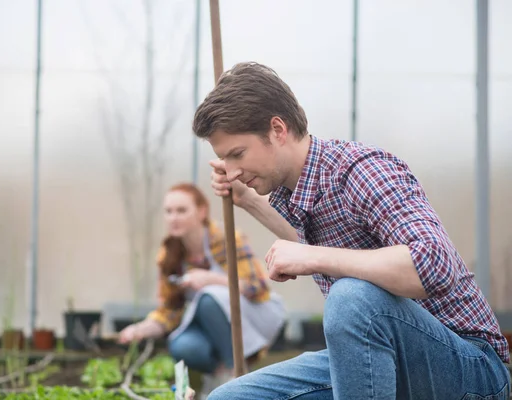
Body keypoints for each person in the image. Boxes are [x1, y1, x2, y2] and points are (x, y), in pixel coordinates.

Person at [192, 61, 511, 399]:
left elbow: (433, 265)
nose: (232, 170)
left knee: (351, 299)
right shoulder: (294, 189)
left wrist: (313, 257)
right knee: (229, 398)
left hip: (470, 368)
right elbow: (308, 243)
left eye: (237, 154)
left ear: (277, 130)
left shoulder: (358, 171)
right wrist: (246, 200)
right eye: (224, 159)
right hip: (381, 360)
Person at [117, 182, 286, 397]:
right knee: (181, 345)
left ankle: (237, 376)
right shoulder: (169, 253)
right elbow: (170, 310)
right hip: (211, 326)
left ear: (201, 211)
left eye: (181, 210)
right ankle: (221, 376)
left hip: (253, 315)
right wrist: (140, 329)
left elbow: (257, 287)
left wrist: (211, 279)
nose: (173, 217)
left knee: (208, 298)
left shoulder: (227, 238)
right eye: (168, 212)